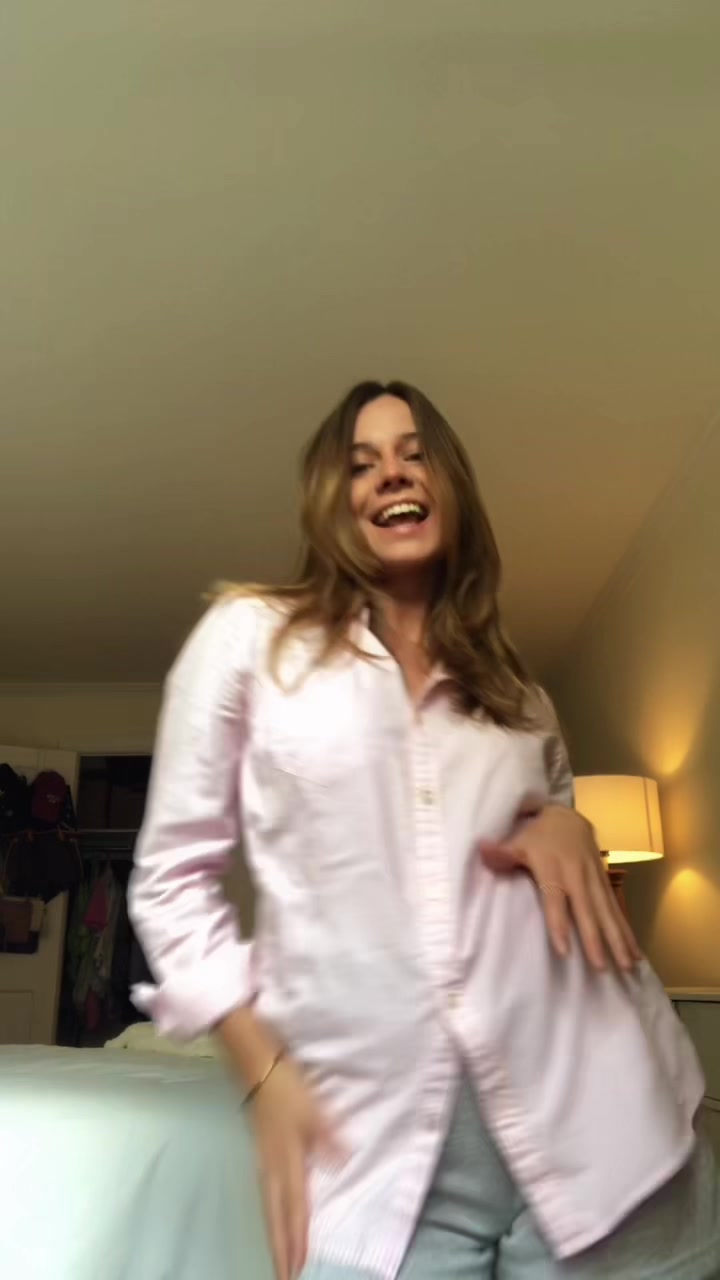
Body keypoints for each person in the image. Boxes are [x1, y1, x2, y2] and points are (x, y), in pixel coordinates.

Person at [129, 381, 720, 1280]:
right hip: (376, 1170)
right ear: (332, 501)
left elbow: (558, 845)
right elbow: (170, 881)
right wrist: (265, 1073)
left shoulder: (519, 693)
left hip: (607, 1129)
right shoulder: (251, 638)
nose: (392, 475)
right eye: (361, 464)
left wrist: (567, 825)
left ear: (449, 482)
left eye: (414, 454)